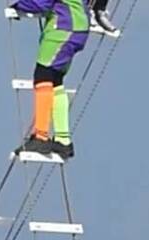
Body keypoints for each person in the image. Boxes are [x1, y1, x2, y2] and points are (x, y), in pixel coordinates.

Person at [10, 1, 114, 158]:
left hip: (63, 28)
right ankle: (62, 140)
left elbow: (41, 3)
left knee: (42, 75)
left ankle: (41, 137)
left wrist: (19, 5)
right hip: (77, 28)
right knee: (56, 80)